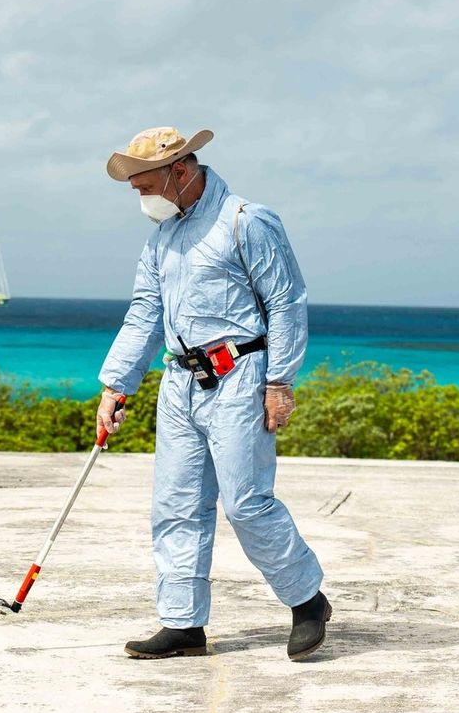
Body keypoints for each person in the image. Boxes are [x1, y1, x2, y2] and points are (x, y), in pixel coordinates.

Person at [96, 126, 332, 661]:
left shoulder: (248, 222)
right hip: (179, 382)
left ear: (180, 172)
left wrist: (280, 383)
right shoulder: (162, 237)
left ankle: (307, 601)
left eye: (143, 184)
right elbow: (144, 313)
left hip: (240, 376)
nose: (139, 196)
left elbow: (287, 303)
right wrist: (116, 385)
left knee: (247, 503)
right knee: (176, 506)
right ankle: (182, 625)